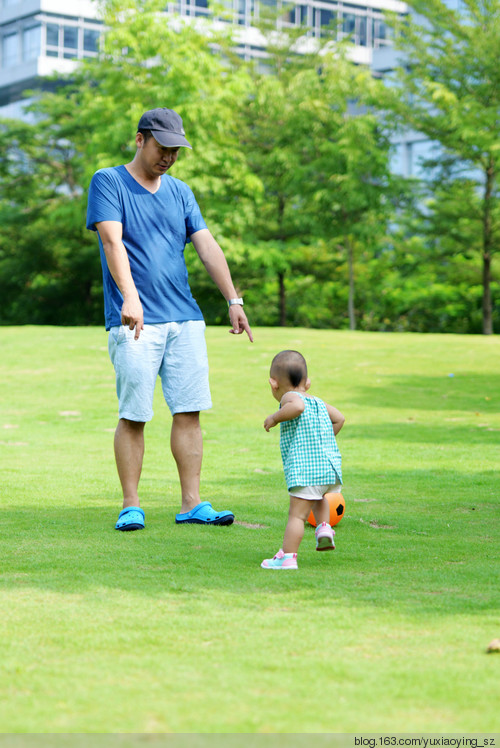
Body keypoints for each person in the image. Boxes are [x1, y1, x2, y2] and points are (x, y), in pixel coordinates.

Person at [86, 107, 253, 531]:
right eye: (163, 147)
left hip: (185, 318)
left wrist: (232, 298)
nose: (169, 157)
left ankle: (192, 503)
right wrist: (131, 297)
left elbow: (207, 246)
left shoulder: (180, 191)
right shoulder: (109, 181)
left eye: (176, 150)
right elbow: (111, 241)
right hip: (135, 321)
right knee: (134, 414)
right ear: (141, 139)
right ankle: (131, 504)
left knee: (190, 410)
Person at [262, 350, 344, 569]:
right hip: (326, 468)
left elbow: (297, 407)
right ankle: (324, 527)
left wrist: (274, 418)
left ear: (273, 383)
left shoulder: (290, 397)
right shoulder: (318, 402)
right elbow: (340, 419)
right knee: (317, 497)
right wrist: (322, 438)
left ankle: (287, 557)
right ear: (307, 383)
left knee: (297, 516)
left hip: (305, 469)